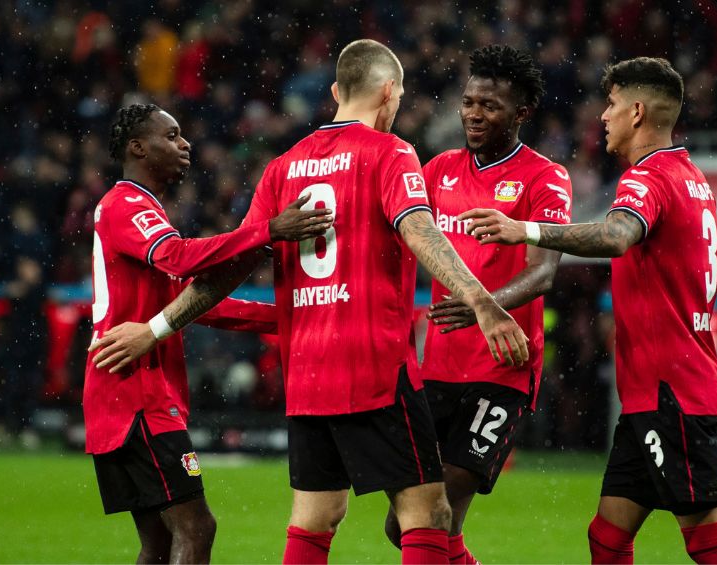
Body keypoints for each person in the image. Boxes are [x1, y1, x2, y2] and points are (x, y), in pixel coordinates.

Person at [90, 40, 528, 565]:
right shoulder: (391, 152)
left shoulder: (283, 166)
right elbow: (419, 229)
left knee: (314, 520)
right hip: (373, 364)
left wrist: (157, 328)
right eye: (400, 94)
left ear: (337, 91)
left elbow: (220, 275)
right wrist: (481, 301)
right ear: (389, 92)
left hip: (307, 374)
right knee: (426, 515)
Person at [460, 57, 717, 564]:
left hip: (671, 390)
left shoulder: (648, 179)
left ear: (637, 112)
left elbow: (618, 237)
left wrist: (526, 228)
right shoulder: (693, 180)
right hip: (660, 389)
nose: (604, 116)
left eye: (613, 105)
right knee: (607, 537)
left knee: (708, 539)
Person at [85, 103, 332, 564]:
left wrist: (300, 315)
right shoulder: (126, 204)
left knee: (159, 543)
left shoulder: (138, 210)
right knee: (197, 528)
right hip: (135, 394)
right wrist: (267, 231)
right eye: (172, 135)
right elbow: (180, 258)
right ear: (138, 147)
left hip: (120, 391)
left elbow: (199, 301)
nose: (185, 144)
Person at [383, 44, 571, 564]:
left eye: (489, 105)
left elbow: (544, 271)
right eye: (469, 102)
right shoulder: (438, 168)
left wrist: (481, 306)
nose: (473, 114)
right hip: (436, 369)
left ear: (521, 113)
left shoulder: (545, 176)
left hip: (501, 369)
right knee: (408, 526)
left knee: (431, 511)